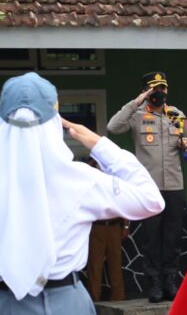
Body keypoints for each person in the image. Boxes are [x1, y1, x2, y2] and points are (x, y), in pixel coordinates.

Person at [0, 72, 165, 314]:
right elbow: (151, 200)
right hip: (66, 301)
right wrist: (101, 145)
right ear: (54, 123)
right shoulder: (80, 179)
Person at [106, 71, 187, 302]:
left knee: (172, 237)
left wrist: (186, 145)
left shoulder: (176, 115)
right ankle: (153, 283)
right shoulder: (136, 115)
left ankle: (169, 281)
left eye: (163, 88)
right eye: (155, 89)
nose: (160, 93)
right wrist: (136, 101)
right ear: (146, 91)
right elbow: (113, 127)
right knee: (151, 238)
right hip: (148, 188)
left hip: (174, 185)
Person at [86, 159, 129, 302]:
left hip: (114, 226)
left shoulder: (115, 179)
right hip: (96, 226)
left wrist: (126, 226)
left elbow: (123, 203)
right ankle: (94, 301)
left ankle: (119, 299)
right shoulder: (90, 178)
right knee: (94, 266)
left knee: (116, 265)